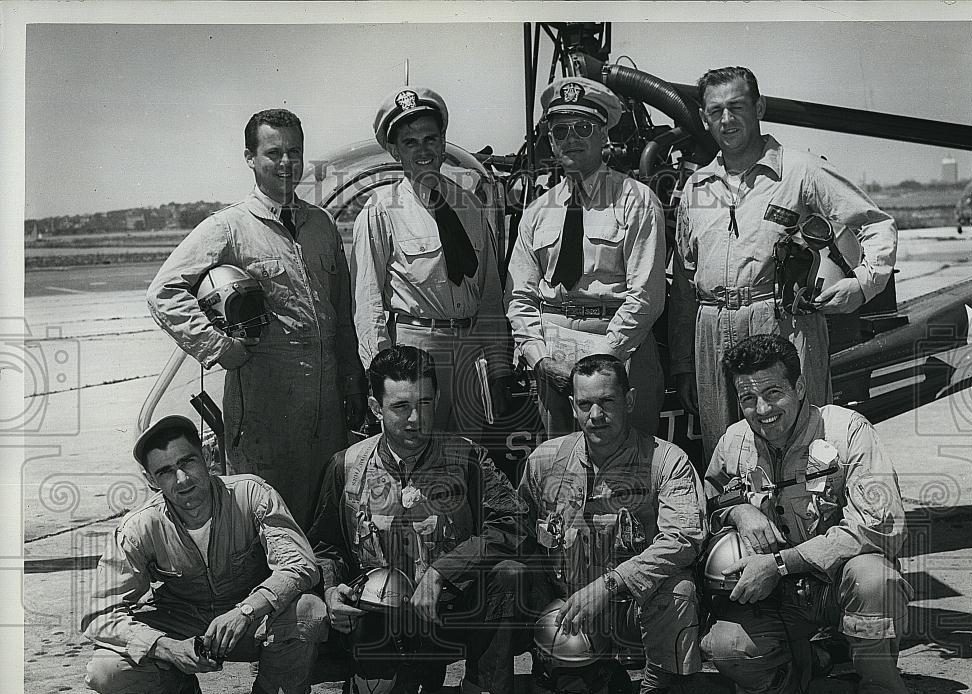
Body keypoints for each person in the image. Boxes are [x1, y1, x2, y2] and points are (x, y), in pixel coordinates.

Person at [147, 108, 367, 529]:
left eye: (295, 152)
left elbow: (341, 318)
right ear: (250, 158)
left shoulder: (321, 225)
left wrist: (353, 384)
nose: (286, 163)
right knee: (267, 524)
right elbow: (164, 293)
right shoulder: (228, 227)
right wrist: (219, 348)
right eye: (273, 153)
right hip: (265, 415)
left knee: (330, 521)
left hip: (327, 413)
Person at [699, 334, 915, 694]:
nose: (762, 409)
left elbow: (882, 524)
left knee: (874, 578)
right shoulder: (734, 441)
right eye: (748, 398)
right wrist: (739, 509)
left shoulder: (846, 430)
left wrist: (780, 563)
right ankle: (804, 671)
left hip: (839, 586)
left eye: (773, 392)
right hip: (777, 599)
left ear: (799, 389)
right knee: (724, 648)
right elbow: (705, 504)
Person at [668, 66, 898, 462]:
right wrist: (684, 365)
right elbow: (684, 286)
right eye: (715, 110)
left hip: (781, 325)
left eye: (737, 106)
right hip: (712, 331)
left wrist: (861, 283)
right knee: (726, 454)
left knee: (803, 449)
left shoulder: (801, 171)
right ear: (704, 120)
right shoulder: (696, 187)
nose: (727, 119)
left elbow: (876, 225)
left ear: (759, 108)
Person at [306, 346, 527, 694]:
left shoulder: (466, 457)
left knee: (508, 573)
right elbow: (325, 545)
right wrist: (332, 589)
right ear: (375, 407)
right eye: (401, 406)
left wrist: (444, 570)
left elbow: (511, 523)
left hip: (451, 610)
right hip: (382, 619)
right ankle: (405, 691)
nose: (415, 418)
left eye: (425, 403)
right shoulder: (346, 465)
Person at [81, 416, 327, 694]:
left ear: (207, 456)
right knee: (104, 668)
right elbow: (99, 615)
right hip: (183, 625)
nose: (181, 480)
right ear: (151, 480)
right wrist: (167, 648)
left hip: (249, 621)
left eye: (187, 462)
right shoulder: (139, 528)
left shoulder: (250, 493)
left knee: (309, 611)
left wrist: (246, 610)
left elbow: (300, 563)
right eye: (165, 472)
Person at [518, 354, 705, 694]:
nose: (596, 414)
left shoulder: (666, 462)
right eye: (585, 404)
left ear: (631, 401)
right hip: (571, 613)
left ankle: (655, 692)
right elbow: (520, 538)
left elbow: (683, 538)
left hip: (634, 609)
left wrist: (610, 583)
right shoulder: (545, 462)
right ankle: (579, 669)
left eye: (608, 402)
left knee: (679, 591)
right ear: (572, 406)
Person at [506, 77, 667, 439]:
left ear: (603, 136)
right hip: (553, 358)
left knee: (629, 464)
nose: (571, 139)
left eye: (583, 128)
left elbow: (647, 297)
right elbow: (519, 297)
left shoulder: (636, 201)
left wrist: (603, 359)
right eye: (560, 131)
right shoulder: (537, 212)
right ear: (550, 141)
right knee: (561, 467)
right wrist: (538, 357)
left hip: (620, 348)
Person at [351, 87, 510, 439]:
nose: (423, 150)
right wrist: (379, 376)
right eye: (410, 142)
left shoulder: (469, 205)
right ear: (395, 151)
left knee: (466, 458)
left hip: (470, 357)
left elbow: (489, 298)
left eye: (430, 139)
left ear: (442, 142)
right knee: (417, 459)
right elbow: (368, 304)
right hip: (414, 354)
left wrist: (499, 369)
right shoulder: (381, 210)